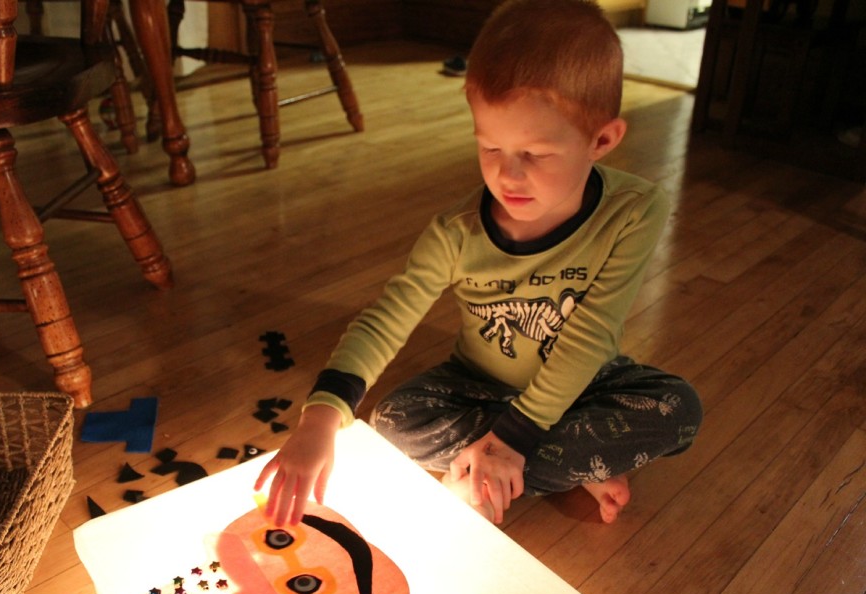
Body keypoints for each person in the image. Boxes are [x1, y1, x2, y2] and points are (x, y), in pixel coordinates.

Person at [255, 0, 702, 527]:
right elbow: (385, 320)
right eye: (490, 147)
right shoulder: (456, 232)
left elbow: (592, 334)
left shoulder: (636, 210)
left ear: (601, 140)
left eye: (533, 154)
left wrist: (514, 436)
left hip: (586, 382)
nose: (507, 175)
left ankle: (493, 464)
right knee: (392, 420)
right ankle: (561, 463)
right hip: (477, 384)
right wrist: (320, 420)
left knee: (679, 409)